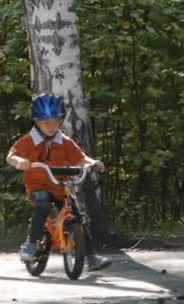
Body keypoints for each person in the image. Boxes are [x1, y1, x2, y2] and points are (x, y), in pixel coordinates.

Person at [6, 92, 111, 272]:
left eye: (55, 121)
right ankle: (31, 244)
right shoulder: (28, 141)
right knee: (42, 202)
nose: (51, 126)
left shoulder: (65, 142)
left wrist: (92, 162)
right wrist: (19, 162)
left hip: (60, 185)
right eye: (46, 122)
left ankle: (91, 256)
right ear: (37, 122)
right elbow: (11, 156)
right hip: (38, 186)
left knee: (78, 215)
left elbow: (80, 158)